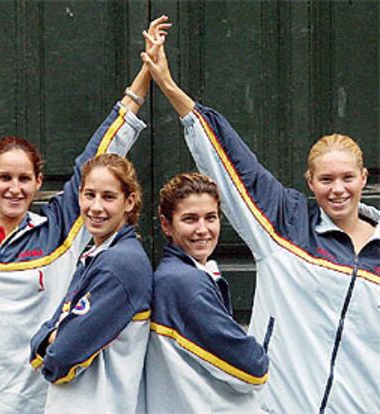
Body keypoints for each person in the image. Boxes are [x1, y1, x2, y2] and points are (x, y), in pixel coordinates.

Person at [141, 29, 380, 413]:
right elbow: (233, 161)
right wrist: (169, 87)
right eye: (326, 179)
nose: (338, 190)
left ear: (364, 179)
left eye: (347, 178)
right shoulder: (285, 221)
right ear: (310, 182)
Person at [0, 16, 169, 414]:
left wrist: (145, 75)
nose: (14, 188)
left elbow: (103, 151)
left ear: (40, 182)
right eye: (4, 177)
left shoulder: (58, 228)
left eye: (25, 178)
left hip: (38, 401)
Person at [30, 153, 152, 414]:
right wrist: (49, 338)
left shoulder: (120, 264)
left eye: (108, 197)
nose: (96, 207)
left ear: (129, 201)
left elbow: (61, 356)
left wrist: (52, 341)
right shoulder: (99, 255)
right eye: (89, 195)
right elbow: (51, 332)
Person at [144, 172, 269, 414]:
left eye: (210, 218)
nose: (203, 229)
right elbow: (253, 369)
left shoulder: (184, 275)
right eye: (190, 219)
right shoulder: (183, 283)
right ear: (166, 224)